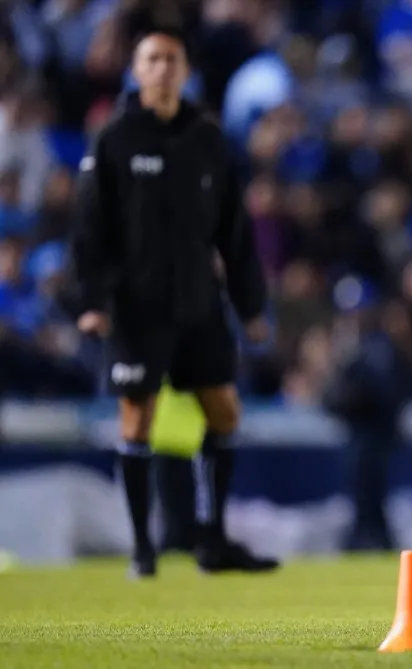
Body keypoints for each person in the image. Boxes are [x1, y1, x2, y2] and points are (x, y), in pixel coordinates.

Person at [67, 26, 278, 578]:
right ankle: (143, 547)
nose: (162, 68)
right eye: (152, 59)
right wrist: (91, 301)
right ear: (136, 71)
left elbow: (234, 233)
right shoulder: (114, 138)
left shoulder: (207, 138)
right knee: (136, 419)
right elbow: (89, 229)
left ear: (184, 72)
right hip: (137, 306)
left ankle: (212, 539)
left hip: (199, 303)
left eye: (171, 59)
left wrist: (249, 305)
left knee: (224, 411)